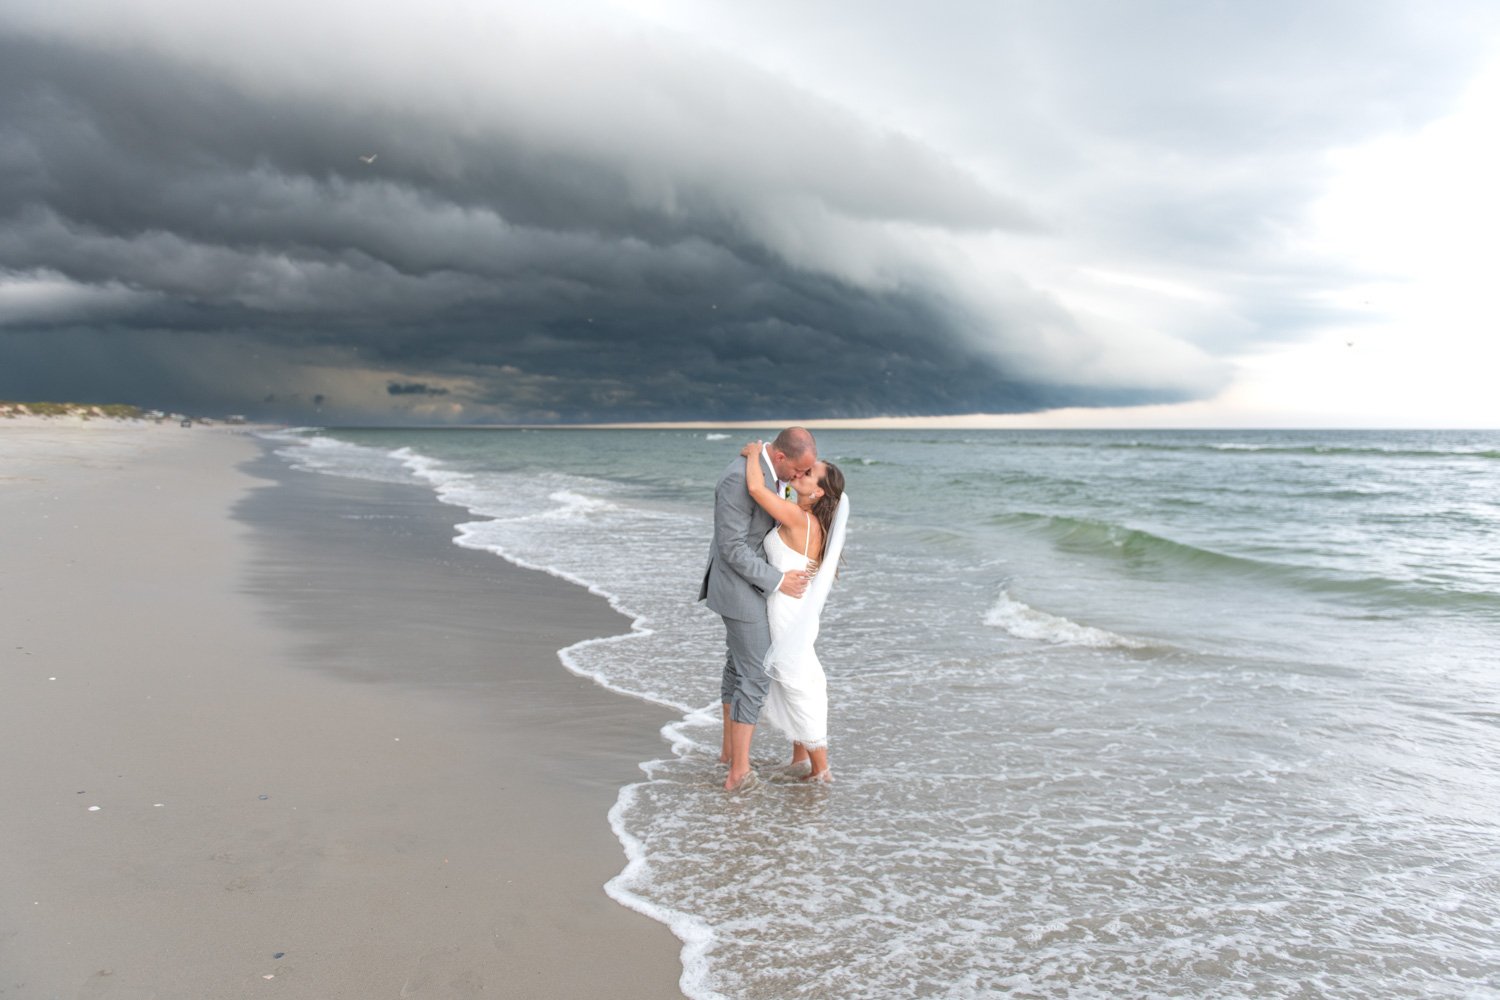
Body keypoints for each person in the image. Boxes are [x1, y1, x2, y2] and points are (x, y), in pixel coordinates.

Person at [699, 427, 817, 792]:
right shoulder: (738, 478)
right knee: (756, 674)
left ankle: (727, 755)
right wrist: (779, 580)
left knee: (737, 667)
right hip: (738, 588)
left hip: (753, 585)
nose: (800, 478)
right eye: (797, 471)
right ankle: (739, 773)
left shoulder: (768, 470)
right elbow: (732, 547)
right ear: (780, 457)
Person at [739, 441, 847, 783]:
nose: (801, 473)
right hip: (793, 608)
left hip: (787, 610)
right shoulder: (803, 516)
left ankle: (821, 770)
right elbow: (779, 488)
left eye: (810, 473)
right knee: (796, 679)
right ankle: (800, 760)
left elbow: (756, 487)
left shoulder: (801, 519)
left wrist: (754, 454)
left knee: (798, 683)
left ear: (818, 493)